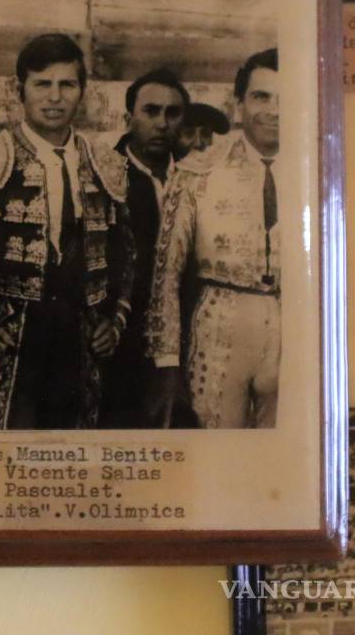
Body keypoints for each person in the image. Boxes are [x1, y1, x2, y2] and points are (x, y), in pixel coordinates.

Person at [0, 34, 135, 430]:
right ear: (21, 90)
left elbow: (126, 256)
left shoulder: (105, 163)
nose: (55, 97)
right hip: (13, 339)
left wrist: (113, 320)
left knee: (71, 449)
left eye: (67, 84)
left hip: (80, 338)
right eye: (42, 84)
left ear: (82, 91)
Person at [146, 48, 281, 429]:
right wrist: (166, 365)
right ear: (239, 106)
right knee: (218, 449)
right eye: (261, 97)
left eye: (285, 99)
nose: (274, 111)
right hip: (218, 330)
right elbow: (165, 275)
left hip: (297, 329)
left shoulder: (318, 173)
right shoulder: (197, 172)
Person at [104, 68, 188, 428]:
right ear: (129, 118)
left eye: (172, 113)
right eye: (151, 111)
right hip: (121, 344)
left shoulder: (195, 178)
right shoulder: (105, 177)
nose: (162, 123)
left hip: (185, 341)